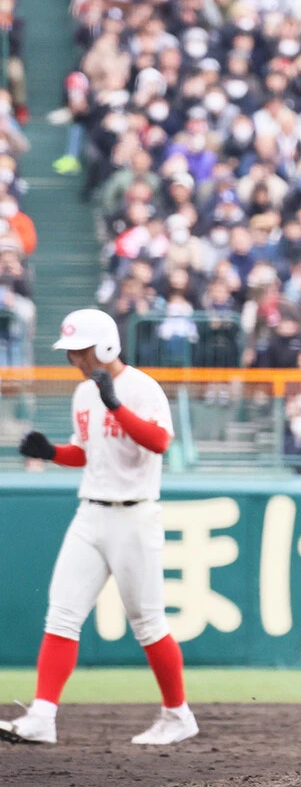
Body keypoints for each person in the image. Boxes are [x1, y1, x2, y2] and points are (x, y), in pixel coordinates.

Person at [1, 309, 196, 746]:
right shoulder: (83, 394)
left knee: (148, 623)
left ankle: (178, 714)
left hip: (136, 513)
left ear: (105, 345)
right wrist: (51, 452)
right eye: (71, 352)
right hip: (91, 512)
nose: (75, 359)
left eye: (80, 350)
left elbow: (159, 442)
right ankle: (42, 716)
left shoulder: (141, 388)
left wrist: (115, 404)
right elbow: (87, 452)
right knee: (62, 615)